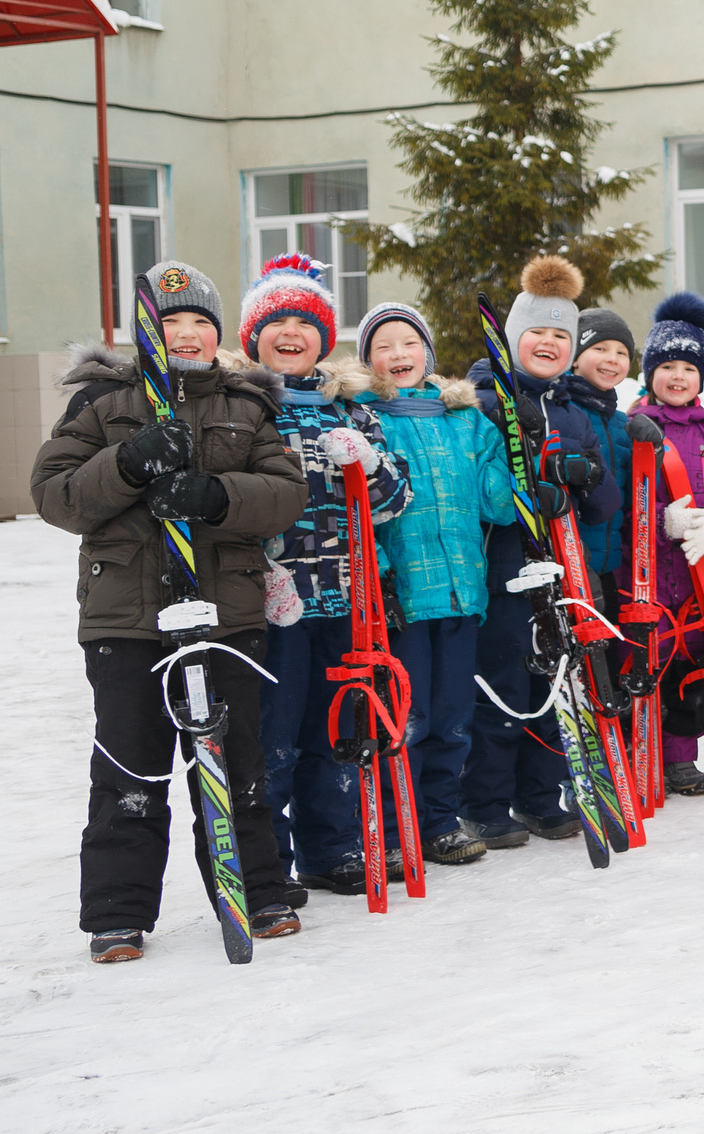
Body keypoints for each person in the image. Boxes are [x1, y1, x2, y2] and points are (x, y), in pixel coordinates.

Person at [36, 261, 309, 962]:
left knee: (235, 761)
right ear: (144, 331)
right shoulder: (101, 401)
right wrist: (128, 463)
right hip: (127, 617)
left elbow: (284, 492)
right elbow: (56, 493)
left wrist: (217, 495)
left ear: (217, 334)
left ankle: (256, 890)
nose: (186, 333)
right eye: (171, 320)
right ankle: (117, 913)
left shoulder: (246, 405)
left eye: (200, 321)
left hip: (226, 611)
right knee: (130, 766)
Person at [240, 253, 414, 892]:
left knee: (338, 727)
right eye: (277, 321)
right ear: (252, 335)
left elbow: (397, 501)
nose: (291, 332)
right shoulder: (244, 408)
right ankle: (270, 864)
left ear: (324, 336)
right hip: (274, 604)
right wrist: (261, 571)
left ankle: (331, 848)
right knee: (273, 738)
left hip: (347, 600)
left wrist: (370, 464)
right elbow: (229, 501)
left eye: (306, 322)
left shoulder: (353, 410)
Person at [357, 300, 519, 866]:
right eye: (384, 346)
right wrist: (378, 578)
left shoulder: (464, 418)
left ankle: (440, 821)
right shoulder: (364, 417)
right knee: (405, 718)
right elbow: (359, 508)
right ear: (369, 360)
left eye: (409, 342)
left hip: (462, 593)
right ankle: (397, 829)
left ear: (427, 351)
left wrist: (511, 448)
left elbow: (497, 506)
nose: (399, 354)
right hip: (401, 597)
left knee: (453, 717)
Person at [465, 257, 622, 838]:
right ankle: (483, 803)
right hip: (504, 562)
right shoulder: (482, 401)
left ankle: (538, 792)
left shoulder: (575, 410)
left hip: (562, 564)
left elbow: (605, 505)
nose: (550, 343)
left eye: (562, 335)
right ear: (513, 337)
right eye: (538, 332)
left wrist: (578, 472)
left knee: (556, 674)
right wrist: (529, 459)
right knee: (504, 679)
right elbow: (481, 491)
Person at [632, 292, 704, 790]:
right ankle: (639, 754)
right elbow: (622, 501)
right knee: (643, 661)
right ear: (650, 373)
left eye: (688, 367)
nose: (678, 377)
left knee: (689, 668)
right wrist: (661, 521)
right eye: (667, 367)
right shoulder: (632, 429)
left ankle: (681, 757)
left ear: (701, 377)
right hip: (644, 572)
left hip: (700, 574)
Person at [567, 305, 637, 588]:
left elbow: (635, 494)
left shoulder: (621, 423)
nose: (612, 359)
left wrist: (650, 456)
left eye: (621, 352)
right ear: (573, 358)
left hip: (609, 569)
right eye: (600, 348)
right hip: (570, 563)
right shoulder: (563, 411)